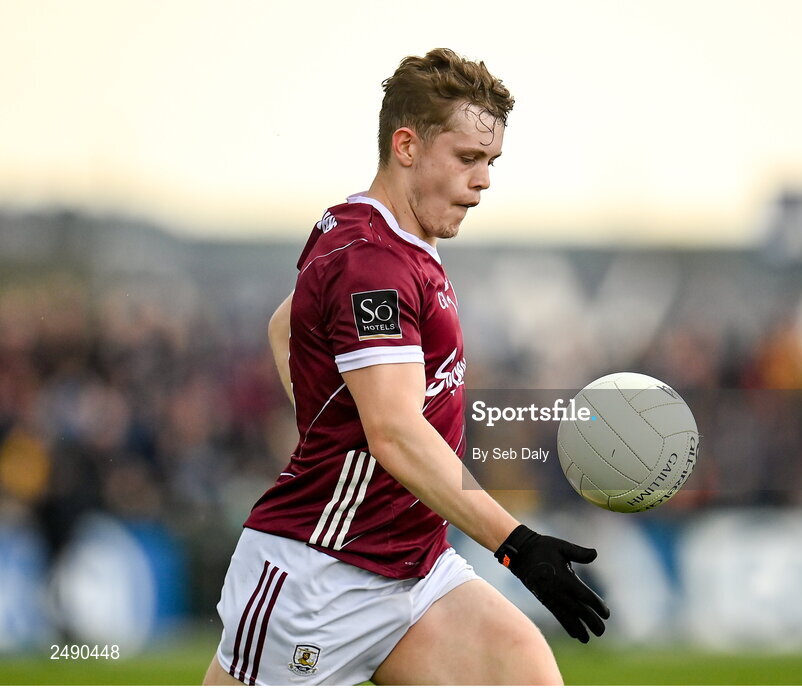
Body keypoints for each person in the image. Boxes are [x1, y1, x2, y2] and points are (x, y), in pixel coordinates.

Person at [203, 48, 609, 686]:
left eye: (492, 162)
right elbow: (393, 430)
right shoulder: (374, 264)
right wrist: (516, 543)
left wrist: (332, 426)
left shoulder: (388, 237)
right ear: (407, 146)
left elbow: (286, 327)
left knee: (522, 669)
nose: (484, 181)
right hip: (321, 574)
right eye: (468, 159)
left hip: (415, 569)